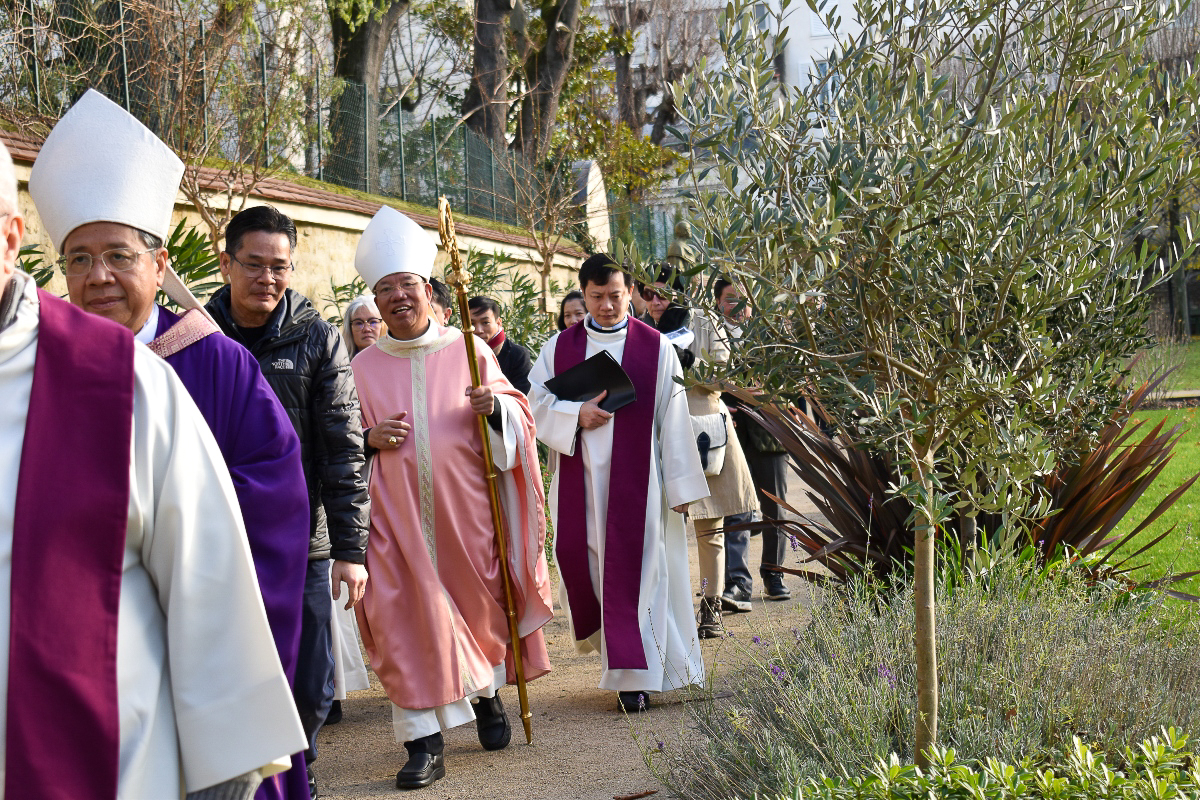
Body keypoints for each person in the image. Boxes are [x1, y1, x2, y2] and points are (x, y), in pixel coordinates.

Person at [28, 89, 313, 800]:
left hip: (201, 632)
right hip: (71, 648)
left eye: (118, 256)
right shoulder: (38, 369)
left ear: (160, 266)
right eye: (80, 258)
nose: (98, 277)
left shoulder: (215, 363)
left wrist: (177, 536)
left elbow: (278, 488)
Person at [349, 206, 553, 790]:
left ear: (428, 291)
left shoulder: (470, 350)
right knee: (401, 619)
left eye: (405, 286)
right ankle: (422, 743)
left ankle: (487, 697)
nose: (396, 298)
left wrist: (498, 414)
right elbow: (339, 441)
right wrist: (366, 439)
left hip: (468, 512)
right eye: (384, 290)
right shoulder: (361, 366)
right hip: (394, 521)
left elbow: (518, 416)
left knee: (477, 614)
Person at [207, 205, 371, 799]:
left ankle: (298, 768)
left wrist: (351, 551)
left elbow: (343, 449)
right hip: (214, 538)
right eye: (254, 265)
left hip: (301, 542)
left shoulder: (317, 337)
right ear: (226, 262)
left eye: (280, 267)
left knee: (309, 680)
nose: (268, 279)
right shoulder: (197, 335)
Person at [529, 254, 709, 712]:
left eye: (615, 295)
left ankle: (633, 678)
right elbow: (535, 407)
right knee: (588, 566)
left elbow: (674, 418)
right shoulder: (558, 348)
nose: (607, 306)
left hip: (642, 487)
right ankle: (626, 658)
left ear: (629, 290)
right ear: (582, 294)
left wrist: (683, 487)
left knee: (639, 575)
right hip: (581, 483)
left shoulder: (656, 347)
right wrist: (576, 414)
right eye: (596, 297)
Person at [640, 267, 758, 635]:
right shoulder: (640, 328)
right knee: (658, 527)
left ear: (680, 294)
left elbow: (726, 375)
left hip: (702, 431)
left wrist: (689, 372)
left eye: (663, 295)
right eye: (648, 294)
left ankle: (711, 607)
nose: (655, 302)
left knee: (710, 527)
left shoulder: (702, 322)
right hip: (656, 433)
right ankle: (666, 609)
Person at [715, 278, 791, 601]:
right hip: (728, 429)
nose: (737, 305)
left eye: (743, 299)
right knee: (735, 505)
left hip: (769, 431)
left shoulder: (771, 333)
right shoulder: (710, 333)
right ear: (718, 301)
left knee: (776, 505)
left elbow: (789, 376)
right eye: (730, 299)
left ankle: (773, 574)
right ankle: (737, 582)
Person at [468, 295, 532, 393]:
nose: (478, 330)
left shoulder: (518, 355)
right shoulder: (462, 353)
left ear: (498, 322)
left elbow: (522, 397)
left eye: (485, 323)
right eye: (472, 324)